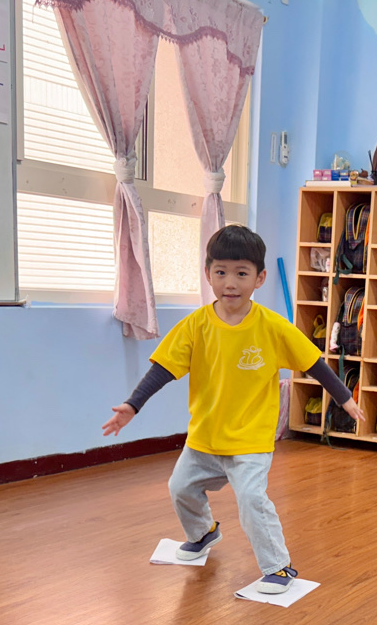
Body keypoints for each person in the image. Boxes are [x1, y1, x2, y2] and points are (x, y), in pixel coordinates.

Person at [103, 224, 361, 593]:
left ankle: (279, 567)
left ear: (259, 278)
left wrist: (344, 397)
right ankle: (203, 532)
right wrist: (133, 405)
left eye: (241, 274)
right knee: (180, 488)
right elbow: (163, 369)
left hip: (250, 439)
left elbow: (313, 363)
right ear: (208, 273)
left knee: (252, 500)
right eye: (221, 272)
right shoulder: (196, 325)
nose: (230, 283)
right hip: (205, 437)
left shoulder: (272, 327)